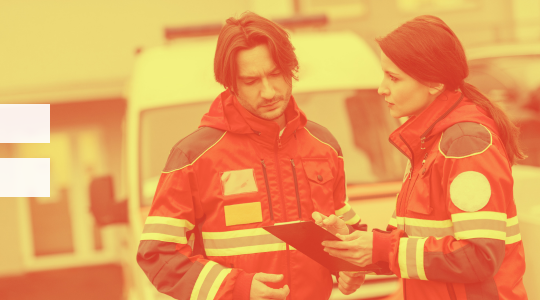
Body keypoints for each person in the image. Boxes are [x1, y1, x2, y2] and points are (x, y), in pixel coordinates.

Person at [137, 11, 366, 300]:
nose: (269, 91)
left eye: (275, 74)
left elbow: (348, 230)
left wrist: (350, 262)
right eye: (251, 81)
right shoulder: (193, 156)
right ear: (230, 83)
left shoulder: (324, 145)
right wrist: (236, 288)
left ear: (291, 69)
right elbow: (158, 255)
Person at [320, 15, 528, 300]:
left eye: (394, 77)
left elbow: (479, 257)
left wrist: (378, 249)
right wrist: (357, 247)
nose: (383, 88)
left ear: (434, 83)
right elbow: (410, 247)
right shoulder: (430, 142)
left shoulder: (464, 143)